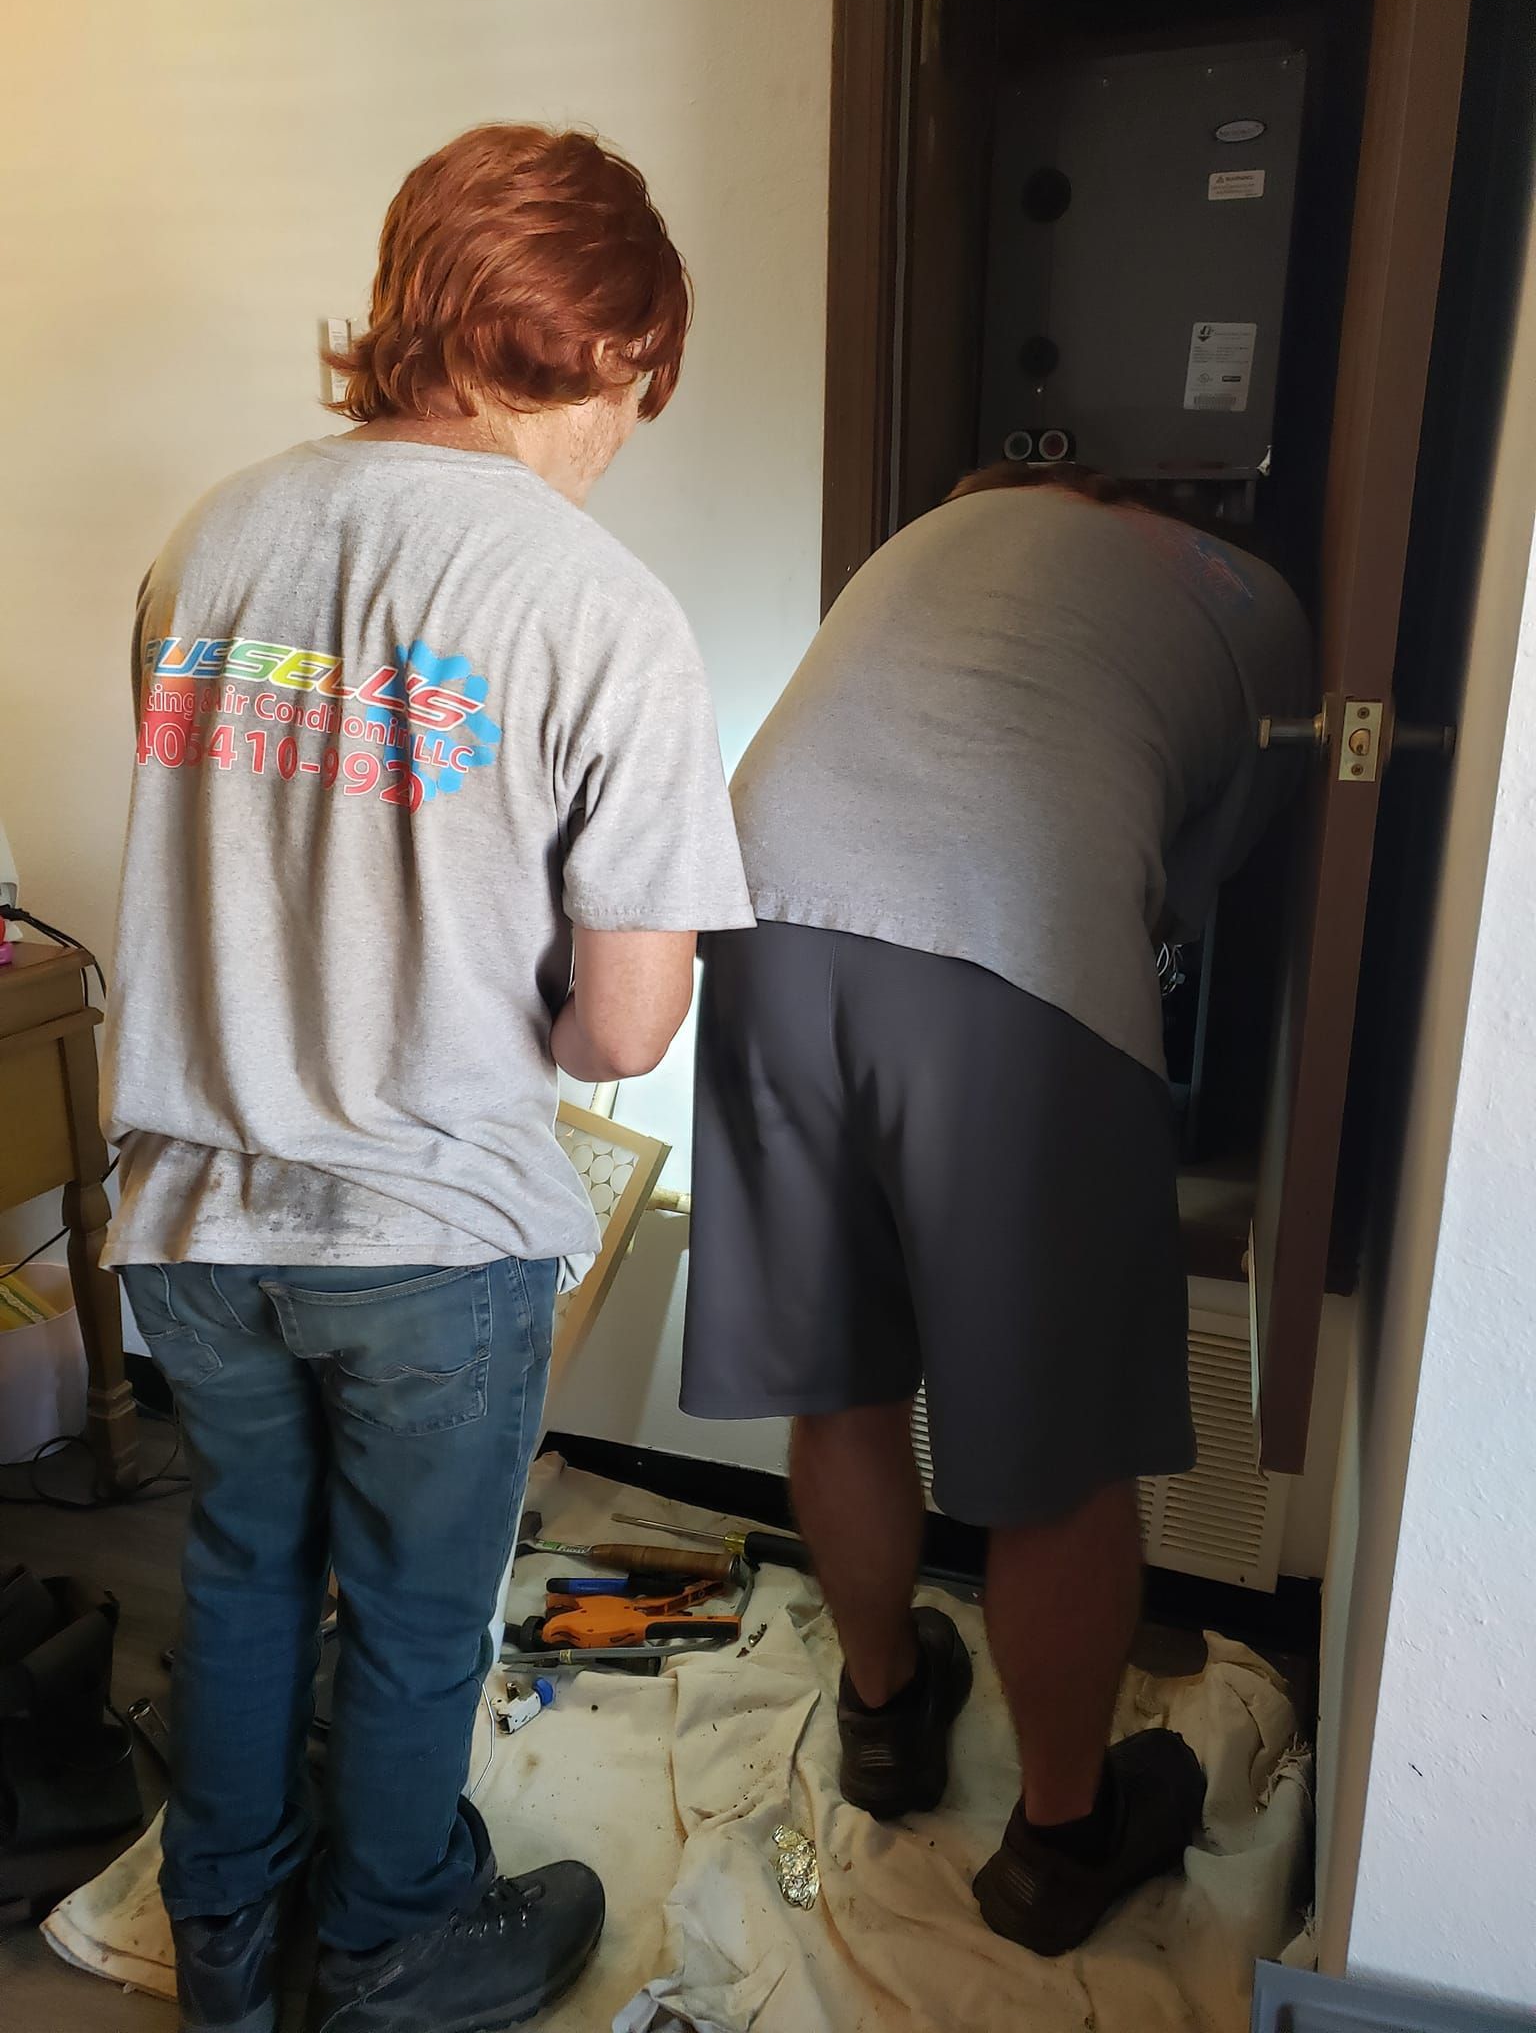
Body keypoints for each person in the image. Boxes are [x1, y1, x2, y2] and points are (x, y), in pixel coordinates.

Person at [102, 124, 754, 2033]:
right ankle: (390, 1938)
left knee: (238, 1569)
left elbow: (227, 858)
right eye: (643, 382)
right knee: (406, 1609)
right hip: (425, 1229)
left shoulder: (206, 537)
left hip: (192, 1214)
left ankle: (223, 1937)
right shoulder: (600, 608)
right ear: (608, 347)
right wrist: (487, 1014)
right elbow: (632, 1026)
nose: (629, 425)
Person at [681, 461, 1309, 1957]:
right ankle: (1058, 1842)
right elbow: (1177, 901)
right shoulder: (1262, 610)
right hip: (1006, 930)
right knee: (1058, 1453)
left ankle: (887, 1716)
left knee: (843, 1380)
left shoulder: (947, 525)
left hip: (758, 914)